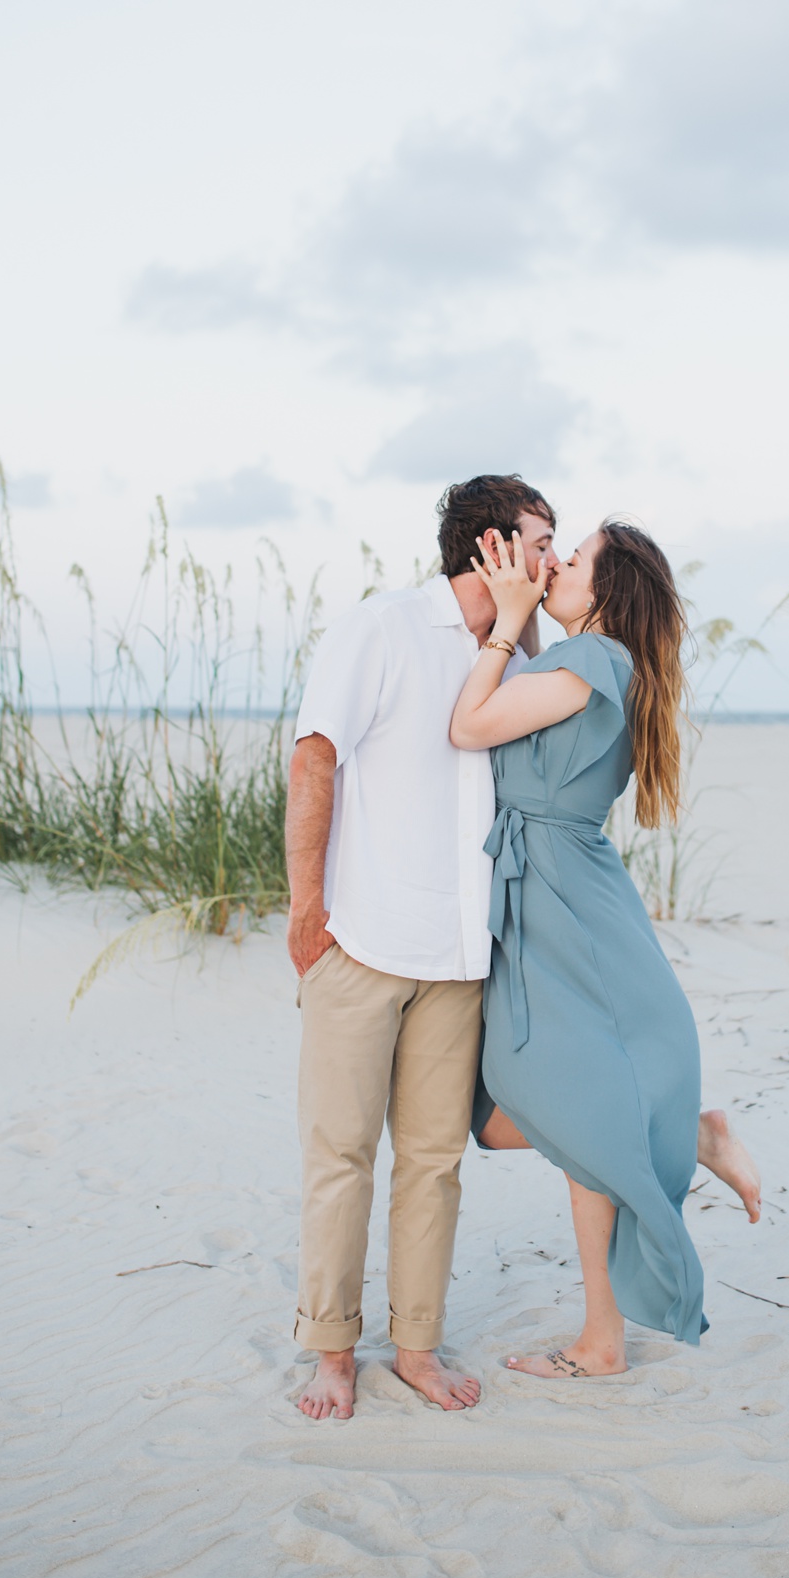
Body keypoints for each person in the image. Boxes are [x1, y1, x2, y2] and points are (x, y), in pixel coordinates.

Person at [449, 521, 761, 1377]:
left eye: (572, 559)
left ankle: (600, 1341)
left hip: (565, 909)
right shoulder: (594, 664)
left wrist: (509, 620)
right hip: (557, 899)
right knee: (497, 1118)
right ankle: (684, 1135)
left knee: (549, 1112)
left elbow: (469, 726)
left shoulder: (589, 664)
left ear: (608, 590)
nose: (554, 565)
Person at [286, 473, 556, 1421]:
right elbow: (314, 755)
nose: (553, 559)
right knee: (340, 1155)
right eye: (540, 538)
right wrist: (306, 911)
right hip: (359, 941)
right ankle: (329, 1351)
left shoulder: (521, 656)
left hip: (459, 957)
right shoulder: (383, 626)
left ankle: (414, 1346)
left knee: (434, 1163)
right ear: (489, 546)